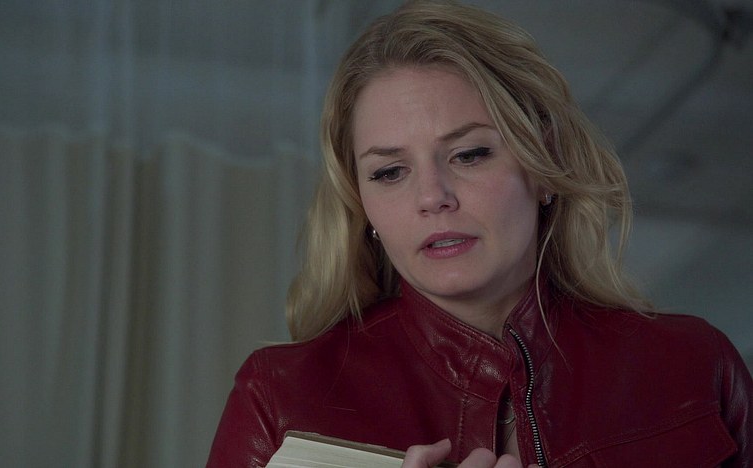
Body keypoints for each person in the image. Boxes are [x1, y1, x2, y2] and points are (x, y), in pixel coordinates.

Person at [207, 1, 752, 466]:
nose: (432, 196)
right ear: (362, 203)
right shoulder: (280, 399)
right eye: (389, 172)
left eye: (469, 154)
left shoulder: (696, 368)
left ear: (544, 164)